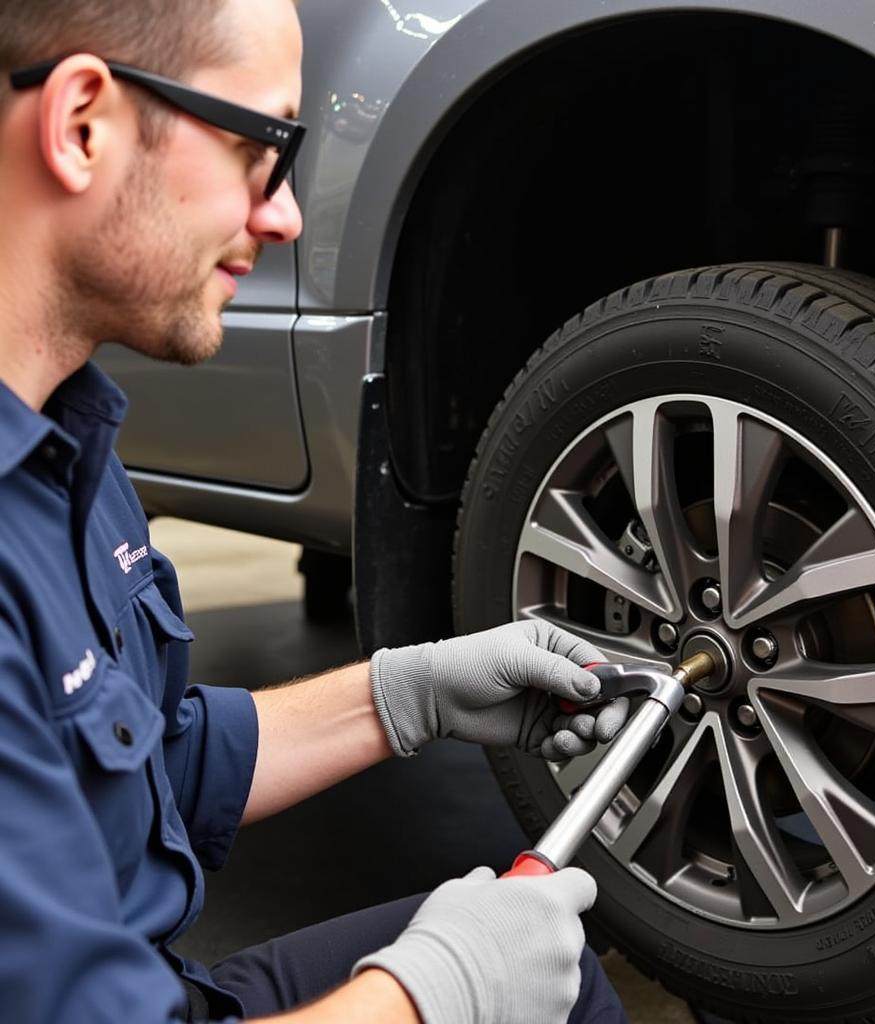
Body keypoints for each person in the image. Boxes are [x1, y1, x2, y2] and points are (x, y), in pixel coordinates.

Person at [0, 1, 633, 1022]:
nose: (287, 213)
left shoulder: (63, 438)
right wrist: (428, 995)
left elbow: (141, 762)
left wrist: (404, 696)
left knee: (563, 983)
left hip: (150, 980)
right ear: (82, 124)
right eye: (263, 144)